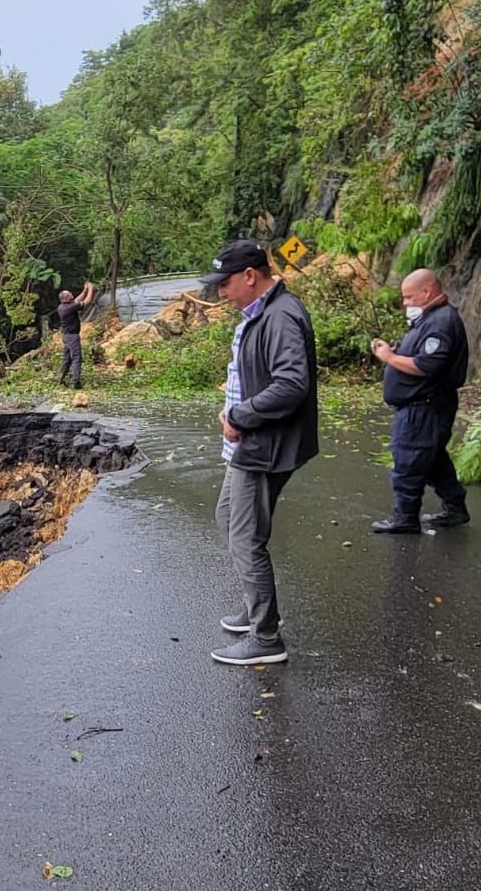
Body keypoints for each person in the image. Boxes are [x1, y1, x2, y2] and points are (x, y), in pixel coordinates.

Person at [205, 240, 319, 665]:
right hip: (255, 441)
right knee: (228, 518)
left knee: (246, 536)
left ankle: (266, 637)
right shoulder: (264, 312)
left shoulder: (281, 316)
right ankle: (257, 610)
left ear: (250, 276)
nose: (221, 292)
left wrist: (241, 414)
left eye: (225, 283)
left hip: (265, 444)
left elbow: (292, 384)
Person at [368, 268, 471, 534]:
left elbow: (428, 365)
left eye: (408, 297)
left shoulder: (441, 322)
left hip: (424, 407)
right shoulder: (429, 319)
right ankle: (455, 507)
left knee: (408, 459)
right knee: (433, 459)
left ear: (427, 292)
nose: (405, 304)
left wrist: (389, 358)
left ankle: (405, 516)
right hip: (421, 405)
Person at [57, 281, 96, 389]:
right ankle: (76, 382)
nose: (72, 296)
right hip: (72, 337)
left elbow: (77, 300)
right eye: (69, 295)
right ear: (65, 298)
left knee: (66, 359)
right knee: (76, 358)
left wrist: (84, 291)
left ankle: (61, 379)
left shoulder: (63, 306)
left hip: (66, 336)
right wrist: (91, 289)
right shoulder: (69, 308)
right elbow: (86, 302)